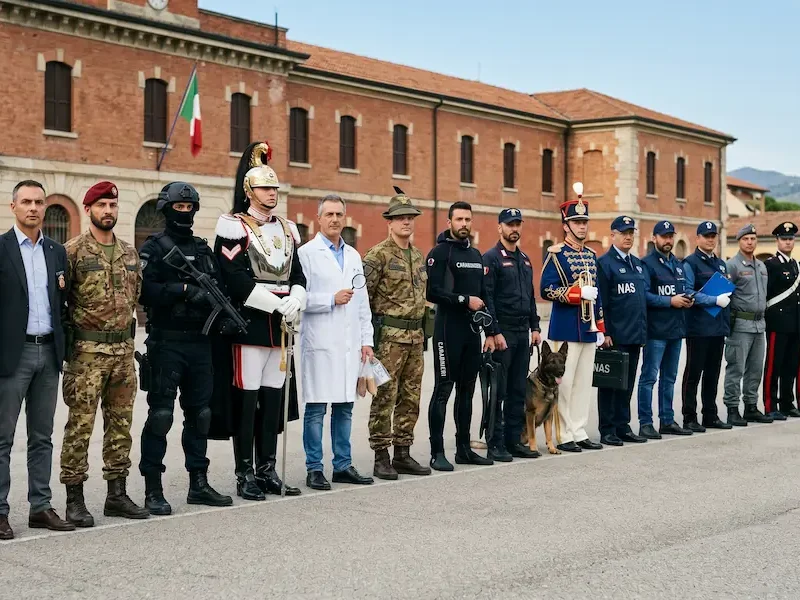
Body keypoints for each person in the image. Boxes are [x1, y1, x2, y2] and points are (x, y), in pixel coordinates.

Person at [213, 142, 305, 500]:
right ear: (249, 190)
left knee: (272, 399)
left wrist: (298, 297)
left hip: (280, 328)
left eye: (275, 188)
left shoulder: (287, 228)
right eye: (265, 188)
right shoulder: (233, 226)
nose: (272, 194)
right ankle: (245, 473)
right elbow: (235, 278)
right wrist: (277, 305)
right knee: (246, 400)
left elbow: (297, 272)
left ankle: (268, 468)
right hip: (250, 323)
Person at [137, 182, 233, 515]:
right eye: (178, 207)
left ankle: (199, 484)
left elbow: (220, 289)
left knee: (200, 416)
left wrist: (222, 315)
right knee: (161, 416)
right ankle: (153, 488)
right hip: (166, 342)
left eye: (189, 207)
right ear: (166, 209)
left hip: (200, 344)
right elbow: (144, 291)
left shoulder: (203, 250)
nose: (184, 212)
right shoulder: (154, 248)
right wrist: (182, 290)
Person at [61, 181, 149, 525]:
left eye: (112, 205)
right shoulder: (72, 252)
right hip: (86, 355)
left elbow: (135, 297)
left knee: (121, 426)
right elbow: (60, 303)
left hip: (123, 353)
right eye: (101, 205)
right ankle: (74, 498)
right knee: (80, 427)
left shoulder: (130, 253)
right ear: (88, 210)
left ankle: (117, 494)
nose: (108, 211)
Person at [0, 180, 73, 540]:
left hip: (49, 353)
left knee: (42, 437)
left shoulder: (56, 252)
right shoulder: (1, 248)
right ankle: (0, 512)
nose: (33, 208)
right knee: (2, 438)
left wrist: (64, 350)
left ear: (46, 207)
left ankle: (40, 507)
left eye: (39, 202)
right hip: (12, 356)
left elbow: (64, 304)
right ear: (13, 206)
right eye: (26, 201)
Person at [297, 195, 375, 490]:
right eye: (329, 214)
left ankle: (342, 464)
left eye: (339, 214)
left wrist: (366, 341)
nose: (334, 219)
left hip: (349, 344)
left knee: (345, 407)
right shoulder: (306, 254)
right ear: (319, 218)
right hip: (320, 342)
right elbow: (299, 298)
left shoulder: (353, 255)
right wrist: (330, 299)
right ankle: (314, 468)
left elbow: (363, 302)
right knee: (316, 409)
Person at [362, 188, 431, 480]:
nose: (406, 222)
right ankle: (381, 456)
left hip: (415, 339)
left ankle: (403, 453)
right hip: (388, 340)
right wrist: (366, 340)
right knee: (384, 397)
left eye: (410, 217)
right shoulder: (377, 255)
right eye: (400, 217)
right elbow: (362, 299)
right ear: (389, 222)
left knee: (411, 397)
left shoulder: (417, 255)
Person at [425, 201, 493, 470]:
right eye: (459, 219)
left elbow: (484, 295)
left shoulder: (476, 254)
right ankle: (437, 452)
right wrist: (464, 300)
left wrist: (491, 331)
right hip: (446, 331)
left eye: (467, 219)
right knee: (443, 390)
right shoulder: (440, 253)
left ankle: (464, 449)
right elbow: (433, 292)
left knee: (467, 391)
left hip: (471, 333)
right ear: (449, 222)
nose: (464, 224)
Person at [540, 183, 605, 453]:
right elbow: (546, 289)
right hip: (566, 327)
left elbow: (598, 295)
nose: (582, 227)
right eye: (577, 222)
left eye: (584, 222)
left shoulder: (590, 255)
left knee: (583, 384)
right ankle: (564, 434)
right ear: (565, 225)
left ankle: (579, 430)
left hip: (587, 329)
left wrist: (600, 326)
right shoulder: (557, 255)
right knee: (564, 384)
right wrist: (577, 293)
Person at [482, 208, 542, 461]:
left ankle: (513, 440)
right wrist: (494, 332)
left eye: (517, 224)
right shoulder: (491, 258)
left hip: (522, 332)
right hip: (503, 333)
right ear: (500, 228)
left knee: (518, 389)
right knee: (499, 391)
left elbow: (530, 296)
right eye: (510, 224)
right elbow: (488, 298)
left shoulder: (525, 259)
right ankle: (495, 443)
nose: (514, 229)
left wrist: (535, 327)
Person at [637, 220, 693, 439]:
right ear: (655, 238)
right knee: (649, 378)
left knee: (669, 378)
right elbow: (644, 296)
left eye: (670, 236)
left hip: (675, 330)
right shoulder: (647, 264)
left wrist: (688, 298)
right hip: (656, 331)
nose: (668, 240)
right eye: (664, 236)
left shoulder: (678, 264)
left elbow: (682, 289)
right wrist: (670, 301)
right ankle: (645, 422)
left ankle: (667, 420)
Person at [595, 216, 648, 446]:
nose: (628, 237)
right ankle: (607, 429)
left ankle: (622, 425)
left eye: (630, 233)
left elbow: (640, 300)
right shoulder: (604, 263)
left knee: (627, 384)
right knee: (610, 385)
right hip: (615, 335)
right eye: (623, 233)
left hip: (634, 334)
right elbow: (602, 302)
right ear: (613, 235)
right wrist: (604, 331)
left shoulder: (637, 263)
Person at [680, 222, 734, 432]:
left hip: (718, 326)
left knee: (713, 374)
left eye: (713, 236)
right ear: (698, 239)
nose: (711, 240)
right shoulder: (690, 263)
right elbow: (687, 291)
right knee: (693, 374)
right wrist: (713, 300)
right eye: (706, 236)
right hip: (699, 327)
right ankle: (689, 417)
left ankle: (710, 415)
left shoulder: (721, 264)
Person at [723, 224, 772, 426]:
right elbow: (720, 295)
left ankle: (751, 406)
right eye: (745, 239)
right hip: (740, 325)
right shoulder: (732, 265)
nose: (750, 242)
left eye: (752, 238)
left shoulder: (761, 266)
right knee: (736, 368)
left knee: (755, 369)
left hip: (759, 325)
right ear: (739, 241)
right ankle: (732, 408)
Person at [762, 221, 800, 421]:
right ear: (777, 240)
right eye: (784, 239)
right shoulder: (771, 265)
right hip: (777, 323)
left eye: (790, 239)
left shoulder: (795, 265)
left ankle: (787, 402)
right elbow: (766, 295)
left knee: (791, 365)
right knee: (773, 366)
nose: (787, 242)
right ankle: (770, 405)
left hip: (795, 323)